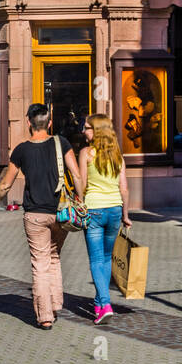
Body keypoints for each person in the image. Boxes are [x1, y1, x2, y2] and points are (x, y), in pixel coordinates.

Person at [0, 103, 81, 330]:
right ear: (49, 123)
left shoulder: (21, 150)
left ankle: (45, 316)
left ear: (28, 122)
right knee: (54, 256)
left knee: (40, 264)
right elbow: (76, 174)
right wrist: (80, 199)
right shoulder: (62, 143)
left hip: (35, 215)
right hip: (60, 212)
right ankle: (56, 303)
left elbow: (6, 183)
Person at [76, 114, 132, 324]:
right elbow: (124, 188)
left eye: (87, 128)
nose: (84, 131)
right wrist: (126, 215)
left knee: (97, 260)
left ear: (97, 130)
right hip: (115, 210)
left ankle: (105, 304)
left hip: (94, 211)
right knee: (107, 258)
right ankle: (100, 302)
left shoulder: (86, 153)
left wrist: (79, 202)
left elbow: (82, 184)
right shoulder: (117, 155)